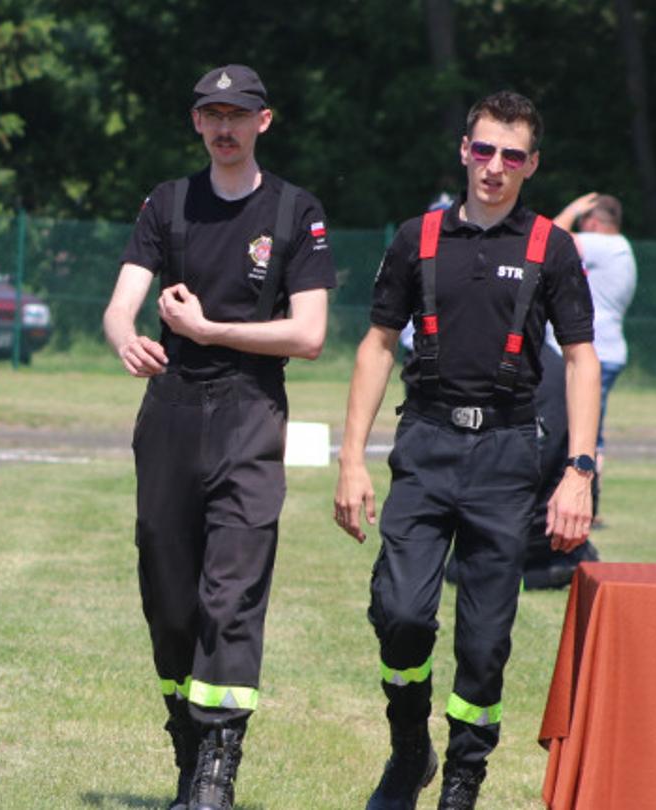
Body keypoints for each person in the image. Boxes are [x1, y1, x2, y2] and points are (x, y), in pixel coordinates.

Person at [333, 90, 597, 809]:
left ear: (531, 164)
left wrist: (579, 471)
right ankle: (409, 749)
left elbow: (581, 360)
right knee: (403, 614)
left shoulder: (552, 247)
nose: (495, 167)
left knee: (484, 644)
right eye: (484, 149)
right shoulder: (415, 238)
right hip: (425, 443)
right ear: (464, 150)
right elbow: (377, 345)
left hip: (510, 455)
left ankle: (462, 780)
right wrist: (351, 459)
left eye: (512, 155)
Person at [102, 64, 335, 810]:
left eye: (238, 114)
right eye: (212, 114)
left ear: (264, 121)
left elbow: (310, 334)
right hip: (169, 412)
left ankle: (218, 765)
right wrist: (123, 338)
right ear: (197, 123)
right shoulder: (167, 203)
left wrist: (210, 330)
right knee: (169, 599)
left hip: (249, 411)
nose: (225, 127)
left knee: (230, 594)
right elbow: (120, 305)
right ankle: (186, 742)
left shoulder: (296, 211)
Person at [555, 192, 636, 512]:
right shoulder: (620, 249)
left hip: (595, 352)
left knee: (582, 430)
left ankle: (587, 500)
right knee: (587, 427)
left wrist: (571, 209)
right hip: (607, 349)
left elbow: (550, 239)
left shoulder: (607, 245)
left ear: (592, 222)